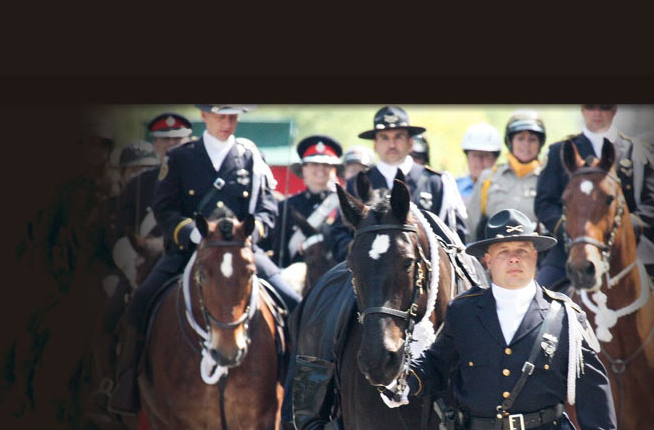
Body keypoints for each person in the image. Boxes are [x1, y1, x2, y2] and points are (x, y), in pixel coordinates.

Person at [109, 104, 300, 415]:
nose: (227, 122)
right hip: (189, 252)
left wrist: (248, 232)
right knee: (141, 300)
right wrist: (191, 235)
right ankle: (127, 383)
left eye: (233, 116)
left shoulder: (251, 157)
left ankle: (298, 390)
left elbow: (268, 209)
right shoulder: (181, 157)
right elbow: (166, 207)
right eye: (221, 115)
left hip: (240, 252)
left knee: (294, 302)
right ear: (204, 116)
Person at [380, 209, 616, 430]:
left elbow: (593, 395)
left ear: (534, 257)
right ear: (488, 260)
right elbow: (436, 364)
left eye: (522, 250)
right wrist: (402, 383)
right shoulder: (462, 312)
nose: (514, 259)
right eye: (504, 251)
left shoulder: (566, 317)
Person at [534, 104, 654, 292]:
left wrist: (629, 227)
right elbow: (545, 203)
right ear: (582, 110)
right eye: (590, 107)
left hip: (631, 244)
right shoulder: (560, 151)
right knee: (537, 295)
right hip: (571, 246)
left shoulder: (637, 150)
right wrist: (569, 230)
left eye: (604, 107)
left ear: (614, 111)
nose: (597, 113)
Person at [347, 106, 469, 241]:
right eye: (384, 137)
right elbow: (341, 231)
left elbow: (454, 233)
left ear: (410, 142)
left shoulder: (436, 182)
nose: (392, 144)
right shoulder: (357, 184)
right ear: (375, 145)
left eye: (399, 136)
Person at [267, 135, 354, 268]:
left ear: (334, 170)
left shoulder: (345, 205)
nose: (320, 169)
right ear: (303, 169)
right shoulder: (286, 206)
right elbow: (278, 249)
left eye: (326, 164)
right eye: (314, 164)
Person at [466, 110, 546, 242]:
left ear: (540, 144)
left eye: (532, 139)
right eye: (520, 139)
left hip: (534, 254)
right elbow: (471, 225)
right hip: (493, 254)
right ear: (510, 142)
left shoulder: (547, 179)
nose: (526, 144)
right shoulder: (489, 177)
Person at [114, 112, 193, 241]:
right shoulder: (138, 183)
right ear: (155, 143)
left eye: (178, 138)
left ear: (189, 142)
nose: (172, 143)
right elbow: (123, 227)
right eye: (165, 139)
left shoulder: (200, 178)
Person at [456, 122, 502, 203]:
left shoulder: (504, 189)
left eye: (486, 155)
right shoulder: (454, 188)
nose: (479, 161)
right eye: (475, 155)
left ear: (495, 158)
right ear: (467, 157)